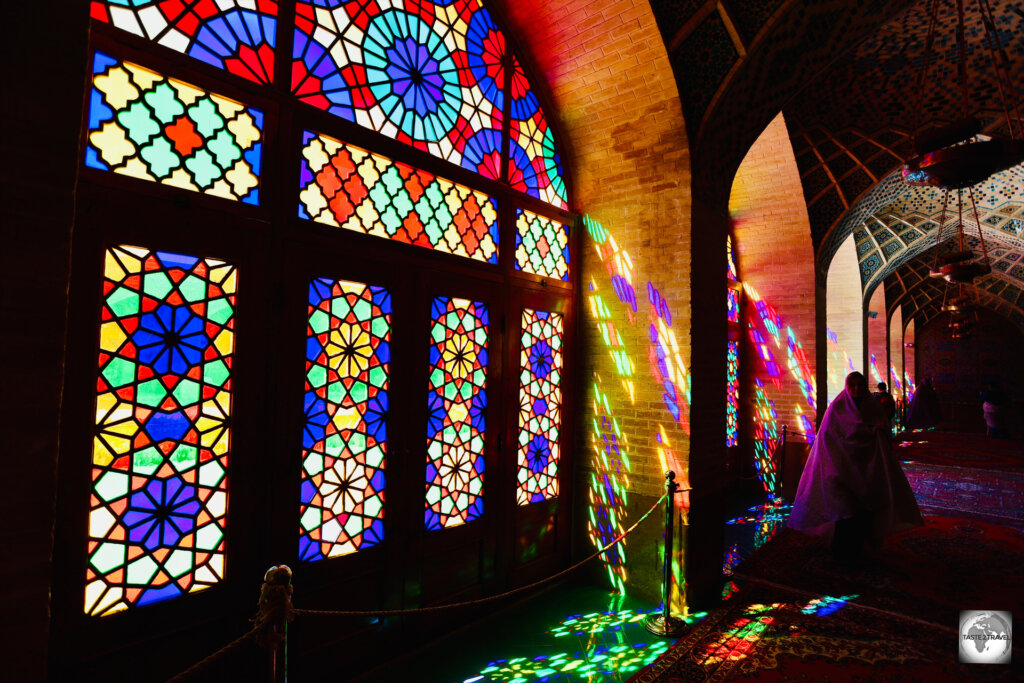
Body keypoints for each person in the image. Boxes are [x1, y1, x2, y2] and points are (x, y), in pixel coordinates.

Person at [788, 372, 922, 567]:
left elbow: (884, 432)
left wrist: (877, 431)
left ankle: (858, 552)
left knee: (863, 514)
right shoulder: (837, 408)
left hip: (868, 471)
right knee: (844, 514)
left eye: (860, 385)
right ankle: (841, 554)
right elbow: (828, 437)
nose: (857, 389)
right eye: (853, 385)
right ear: (847, 386)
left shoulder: (872, 406)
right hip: (842, 470)